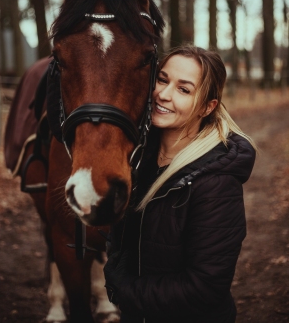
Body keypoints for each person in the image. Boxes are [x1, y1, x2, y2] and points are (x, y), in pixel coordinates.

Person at [104, 45, 256, 323]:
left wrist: (124, 290)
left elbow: (205, 287)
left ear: (207, 107)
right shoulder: (140, 159)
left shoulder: (216, 182)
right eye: (162, 80)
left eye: (183, 90)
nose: (163, 94)